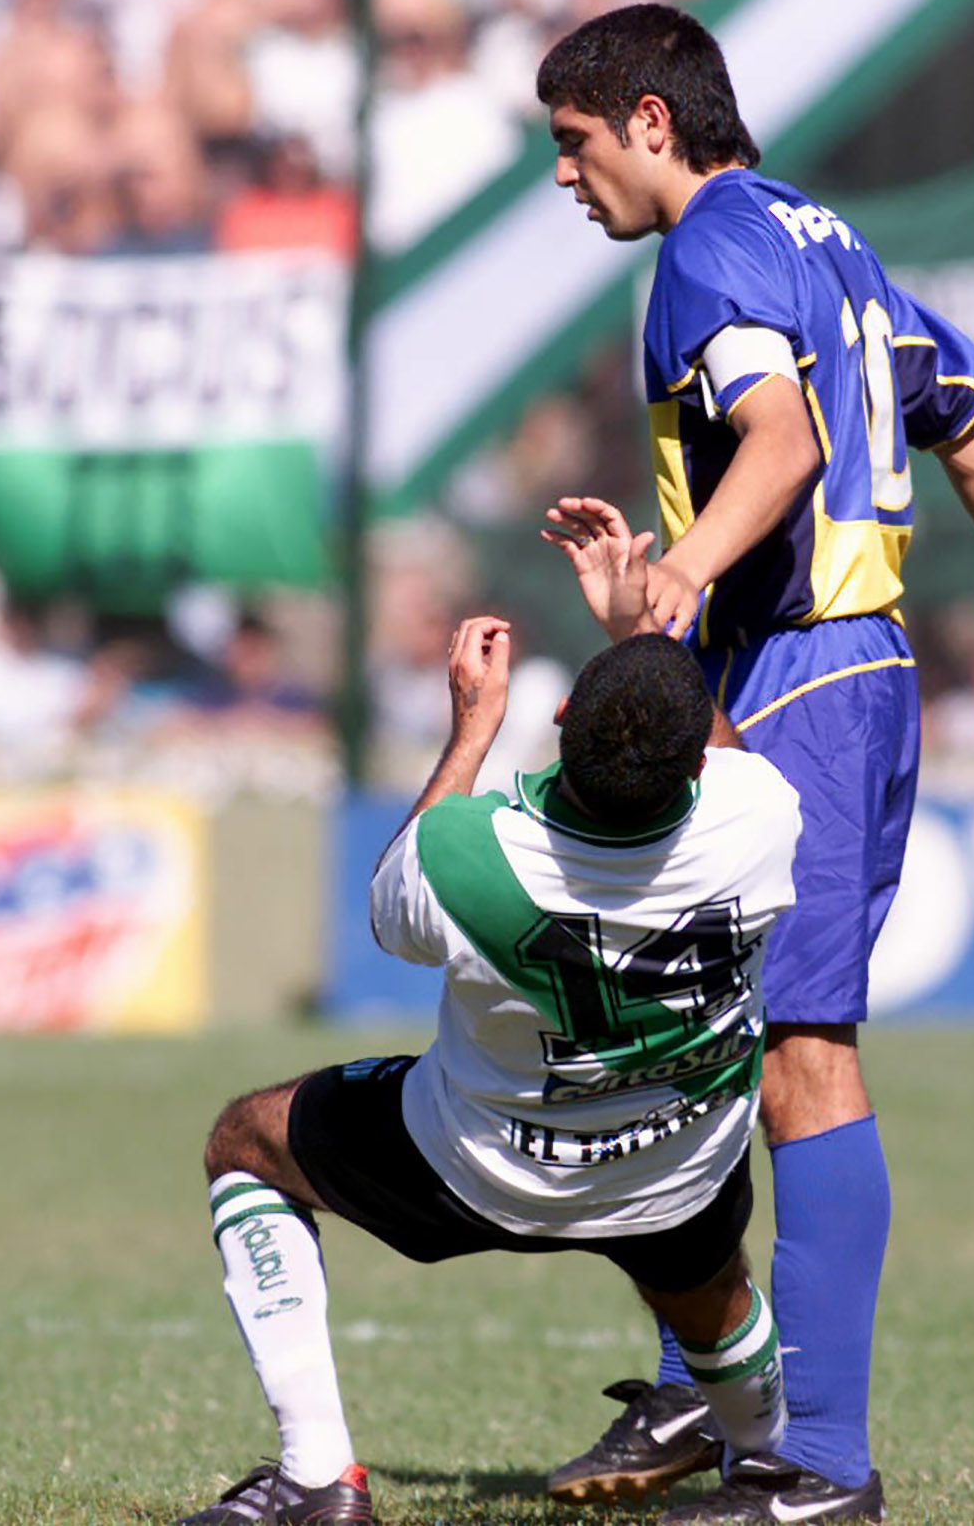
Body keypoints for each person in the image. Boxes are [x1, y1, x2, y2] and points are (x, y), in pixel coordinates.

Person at [534, 4, 974, 1522]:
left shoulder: (709, 249)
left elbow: (785, 440)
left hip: (805, 674)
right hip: (813, 673)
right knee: (697, 1037)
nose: (568, 177)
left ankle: (819, 1465)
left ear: (652, 125)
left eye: (575, 142)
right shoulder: (830, 240)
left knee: (803, 1051)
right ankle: (703, 1395)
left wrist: (678, 579)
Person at [176, 595, 804, 1526]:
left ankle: (317, 1480)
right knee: (712, 1289)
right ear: (694, 770)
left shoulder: (472, 852)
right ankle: (764, 1473)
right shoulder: (762, 812)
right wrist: (649, 633)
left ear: (555, 719)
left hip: (476, 1166)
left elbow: (394, 908)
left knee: (245, 1141)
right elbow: (718, 755)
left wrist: (471, 729)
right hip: (677, 1164)